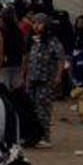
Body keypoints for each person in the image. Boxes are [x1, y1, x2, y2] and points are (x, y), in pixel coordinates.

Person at [21, 14, 66, 148]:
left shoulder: (53, 41)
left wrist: (58, 76)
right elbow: (28, 59)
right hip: (32, 78)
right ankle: (32, 135)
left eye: (39, 23)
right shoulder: (33, 41)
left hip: (46, 79)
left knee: (43, 109)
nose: (36, 26)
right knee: (31, 108)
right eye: (34, 23)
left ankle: (45, 137)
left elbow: (60, 59)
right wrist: (24, 75)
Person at [0, 6, 26, 90]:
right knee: (16, 88)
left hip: (4, 62)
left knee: (4, 87)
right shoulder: (19, 31)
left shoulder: (0, 31)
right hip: (17, 62)